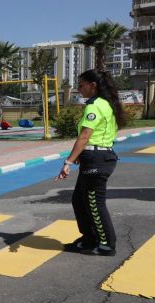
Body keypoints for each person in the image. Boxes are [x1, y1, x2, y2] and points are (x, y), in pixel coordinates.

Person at [57, 69, 125, 256]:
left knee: (95, 203)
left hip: (97, 159)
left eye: (81, 85)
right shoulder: (105, 104)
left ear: (92, 85)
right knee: (79, 200)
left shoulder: (95, 106)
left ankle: (106, 244)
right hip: (97, 157)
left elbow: (85, 136)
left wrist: (68, 161)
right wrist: (82, 153)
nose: (79, 89)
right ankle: (89, 238)